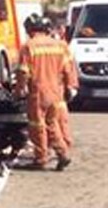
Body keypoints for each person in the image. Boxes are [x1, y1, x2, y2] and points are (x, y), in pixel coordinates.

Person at [15, 14, 76, 170]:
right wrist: (71, 86)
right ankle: (63, 153)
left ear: (30, 29)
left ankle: (41, 158)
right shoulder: (60, 45)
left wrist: (19, 89)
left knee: (37, 125)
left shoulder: (29, 46)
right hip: (56, 91)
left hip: (38, 92)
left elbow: (23, 71)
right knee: (52, 123)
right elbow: (68, 69)